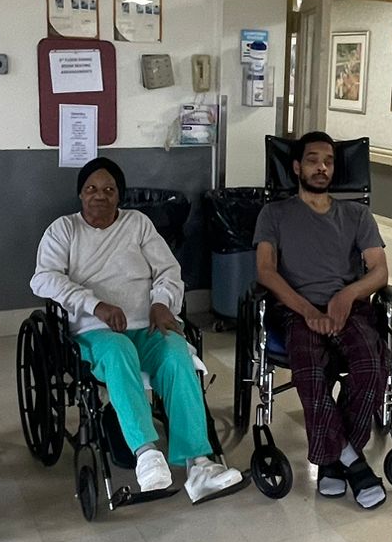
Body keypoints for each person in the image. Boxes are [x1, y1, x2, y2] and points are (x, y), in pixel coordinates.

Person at [31, 159, 244, 501]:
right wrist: (95, 305)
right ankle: (146, 454)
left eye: (109, 189)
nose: (100, 196)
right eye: (91, 189)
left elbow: (168, 270)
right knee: (119, 351)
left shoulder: (138, 224)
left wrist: (162, 303)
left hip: (147, 324)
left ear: (120, 195)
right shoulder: (64, 230)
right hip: (95, 330)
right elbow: (44, 278)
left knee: (176, 354)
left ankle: (200, 465)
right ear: (80, 194)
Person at [255, 131, 391, 509]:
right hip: (296, 309)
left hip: (349, 307)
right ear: (296, 167)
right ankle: (352, 461)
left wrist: (347, 295)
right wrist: (308, 311)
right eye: (313, 160)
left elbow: (379, 271)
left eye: (329, 161)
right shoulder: (274, 214)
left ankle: (332, 461)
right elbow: (265, 271)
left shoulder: (357, 214)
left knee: (371, 366)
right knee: (311, 371)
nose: (322, 168)